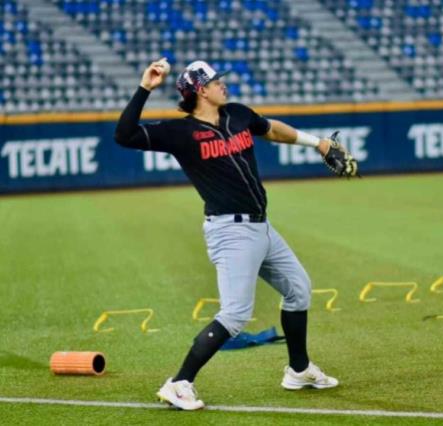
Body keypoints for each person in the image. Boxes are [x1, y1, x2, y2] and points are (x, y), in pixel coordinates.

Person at [114, 59, 357, 410]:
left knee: (298, 289)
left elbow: (272, 129)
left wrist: (316, 143)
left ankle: (299, 370)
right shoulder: (180, 132)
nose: (222, 85)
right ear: (200, 90)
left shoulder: (237, 114)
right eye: (215, 81)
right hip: (230, 230)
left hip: (262, 225)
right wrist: (146, 88)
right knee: (235, 314)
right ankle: (179, 382)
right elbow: (124, 136)